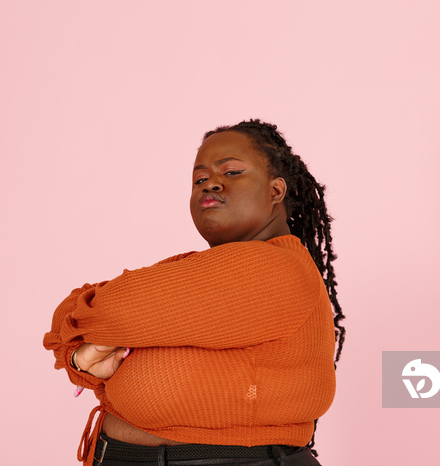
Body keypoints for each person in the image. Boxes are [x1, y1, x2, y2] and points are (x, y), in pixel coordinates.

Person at [43, 119, 346, 466]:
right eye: (199, 179)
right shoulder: (202, 270)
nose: (210, 184)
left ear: (276, 191)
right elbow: (105, 321)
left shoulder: (275, 268)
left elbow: (112, 310)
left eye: (231, 171)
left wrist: (85, 333)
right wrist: (78, 358)